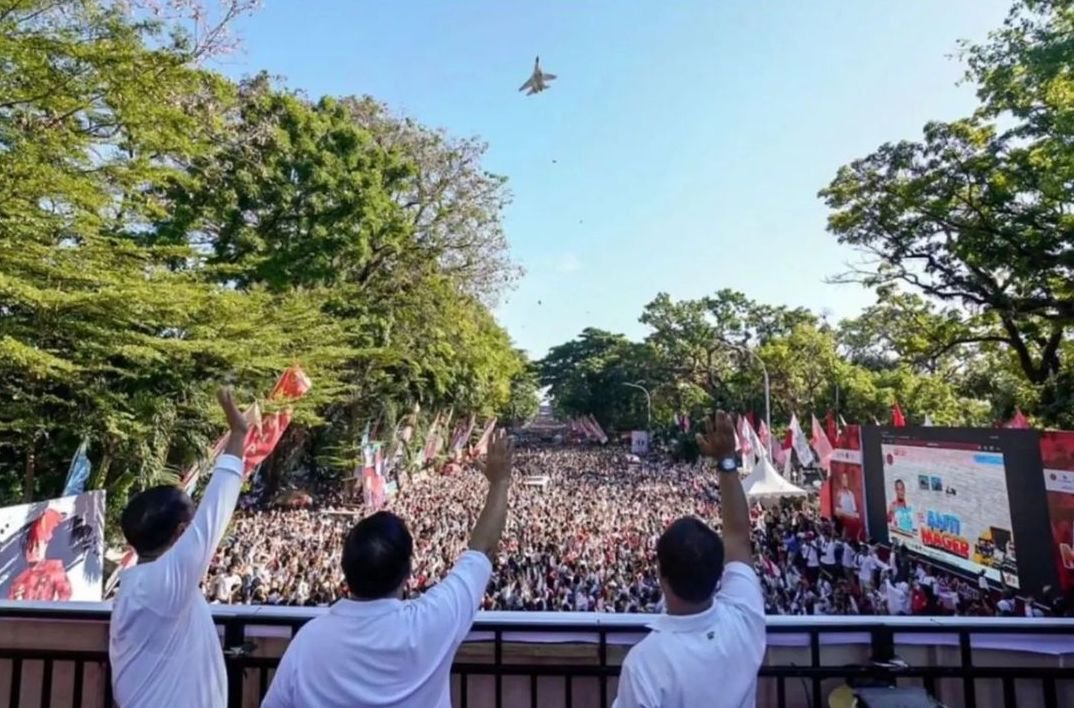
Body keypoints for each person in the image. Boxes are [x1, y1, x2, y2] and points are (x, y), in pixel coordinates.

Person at [261, 430, 515, 708]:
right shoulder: (433, 622)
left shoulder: (308, 640)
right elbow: (483, 550)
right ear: (408, 572)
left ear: (345, 569)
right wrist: (500, 482)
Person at [109, 386, 250, 708]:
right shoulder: (164, 583)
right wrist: (238, 435)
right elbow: (217, 509)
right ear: (182, 532)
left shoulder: (143, 586)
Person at [613, 412, 765, 708]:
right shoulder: (744, 620)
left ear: (660, 575)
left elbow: (736, 538)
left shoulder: (646, 662)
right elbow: (738, 537)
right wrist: (727, 462)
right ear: (719, 573)